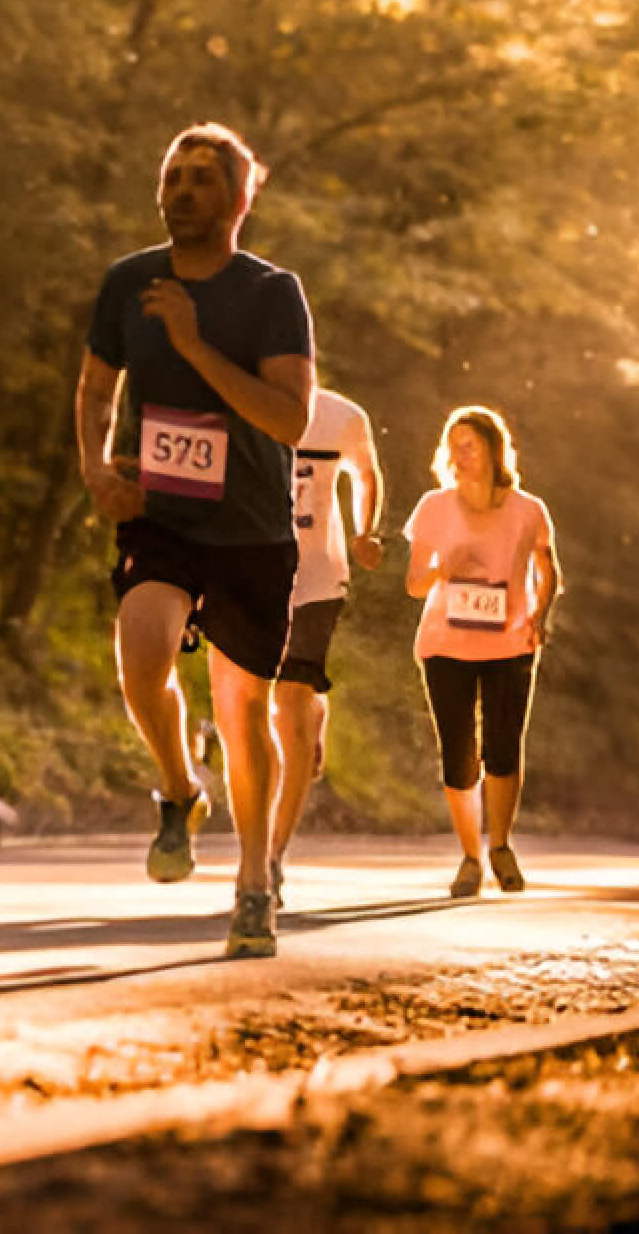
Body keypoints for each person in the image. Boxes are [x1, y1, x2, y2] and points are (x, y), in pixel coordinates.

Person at [77, 124, 314, 958]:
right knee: (140, 645)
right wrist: (98, 470)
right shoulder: (128, 281)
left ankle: (254, 884)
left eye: (201, 180)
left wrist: (189, 344)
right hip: (162, 514)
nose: (179, 192)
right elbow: (98, 386)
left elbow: (289, 418)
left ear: (239, 198)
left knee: (243, 709)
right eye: (171, 177)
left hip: (250, 528)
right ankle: (179, 789)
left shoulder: (271, 293)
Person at [401, 406, 560, 899]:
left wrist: (541, 615)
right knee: (458, 753)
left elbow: (547, 566)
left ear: (494, 449)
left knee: (503, 746)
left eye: (468, 445)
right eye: (453, 446)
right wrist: (442, 569)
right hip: (445, 644)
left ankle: (501, 846)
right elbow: (413, 584)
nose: (459, 455)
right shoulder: (433, 506)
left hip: (510, 642)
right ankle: (470, 857)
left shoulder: (528, 510)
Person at [265, 386, 385, 906]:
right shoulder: (241, 401)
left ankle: (269, 859)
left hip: (318, 579)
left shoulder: (343, 415)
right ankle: (316, 708)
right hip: (253, 573)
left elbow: (366, 473)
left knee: (287, 710)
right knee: (255, 708)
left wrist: (365, 531)